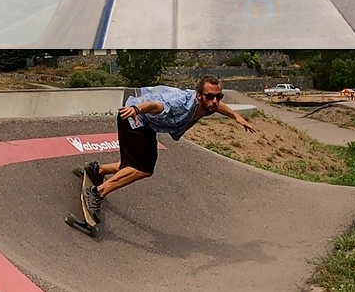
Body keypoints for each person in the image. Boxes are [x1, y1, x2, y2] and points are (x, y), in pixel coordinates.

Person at [80, 76, 256, 224]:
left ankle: (97, 169)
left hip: (147, 124)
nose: (215, 101)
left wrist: (236, 116)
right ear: (199, 96)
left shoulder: (210, 104)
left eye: (219, 96)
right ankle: (96, 192)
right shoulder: (181, 103)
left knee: (141, 165)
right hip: (133, 116)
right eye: (210, 97)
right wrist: (135, 109)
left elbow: (218, 106)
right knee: (142, 168)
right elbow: (156, 106)